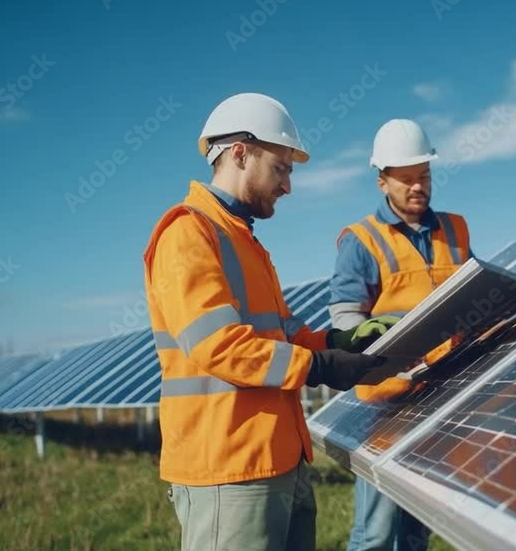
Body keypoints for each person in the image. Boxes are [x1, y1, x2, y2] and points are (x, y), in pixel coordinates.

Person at [143, 92, 397, 551]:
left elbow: (285, 335)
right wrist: (319, 368)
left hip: (281, 460)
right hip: (230, 467)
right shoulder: (188, 233)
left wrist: (339, 339)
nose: (288, 186)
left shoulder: (246, 243)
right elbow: (219, 346)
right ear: (240, 153)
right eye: (281, 168)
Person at [330, 119, 473, 551]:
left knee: (416, 523)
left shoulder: (456, 230)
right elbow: (345, 323)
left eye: (424, 177)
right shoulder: (361, 241)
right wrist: (383, 351)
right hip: (386, 400)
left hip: (442, 392)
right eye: (407, 179)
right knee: (377, 529)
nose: (418, 187)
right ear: (382, 182)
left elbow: (473, 296)